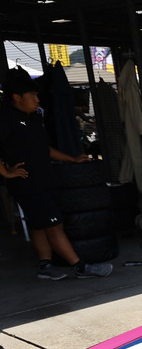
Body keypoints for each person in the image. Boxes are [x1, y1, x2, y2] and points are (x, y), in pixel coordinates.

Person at [0, 76, 112, 279]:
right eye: (32, 95)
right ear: (17, 97)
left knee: (40, 224)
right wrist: (5, 172)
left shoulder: (34, 117)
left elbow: (45, 149)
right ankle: (80, 267)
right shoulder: (6, 118)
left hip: (45, 178)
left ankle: (45, 266)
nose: (37, 99)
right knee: (54, 225)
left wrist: (72, 159)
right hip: (27, 183)